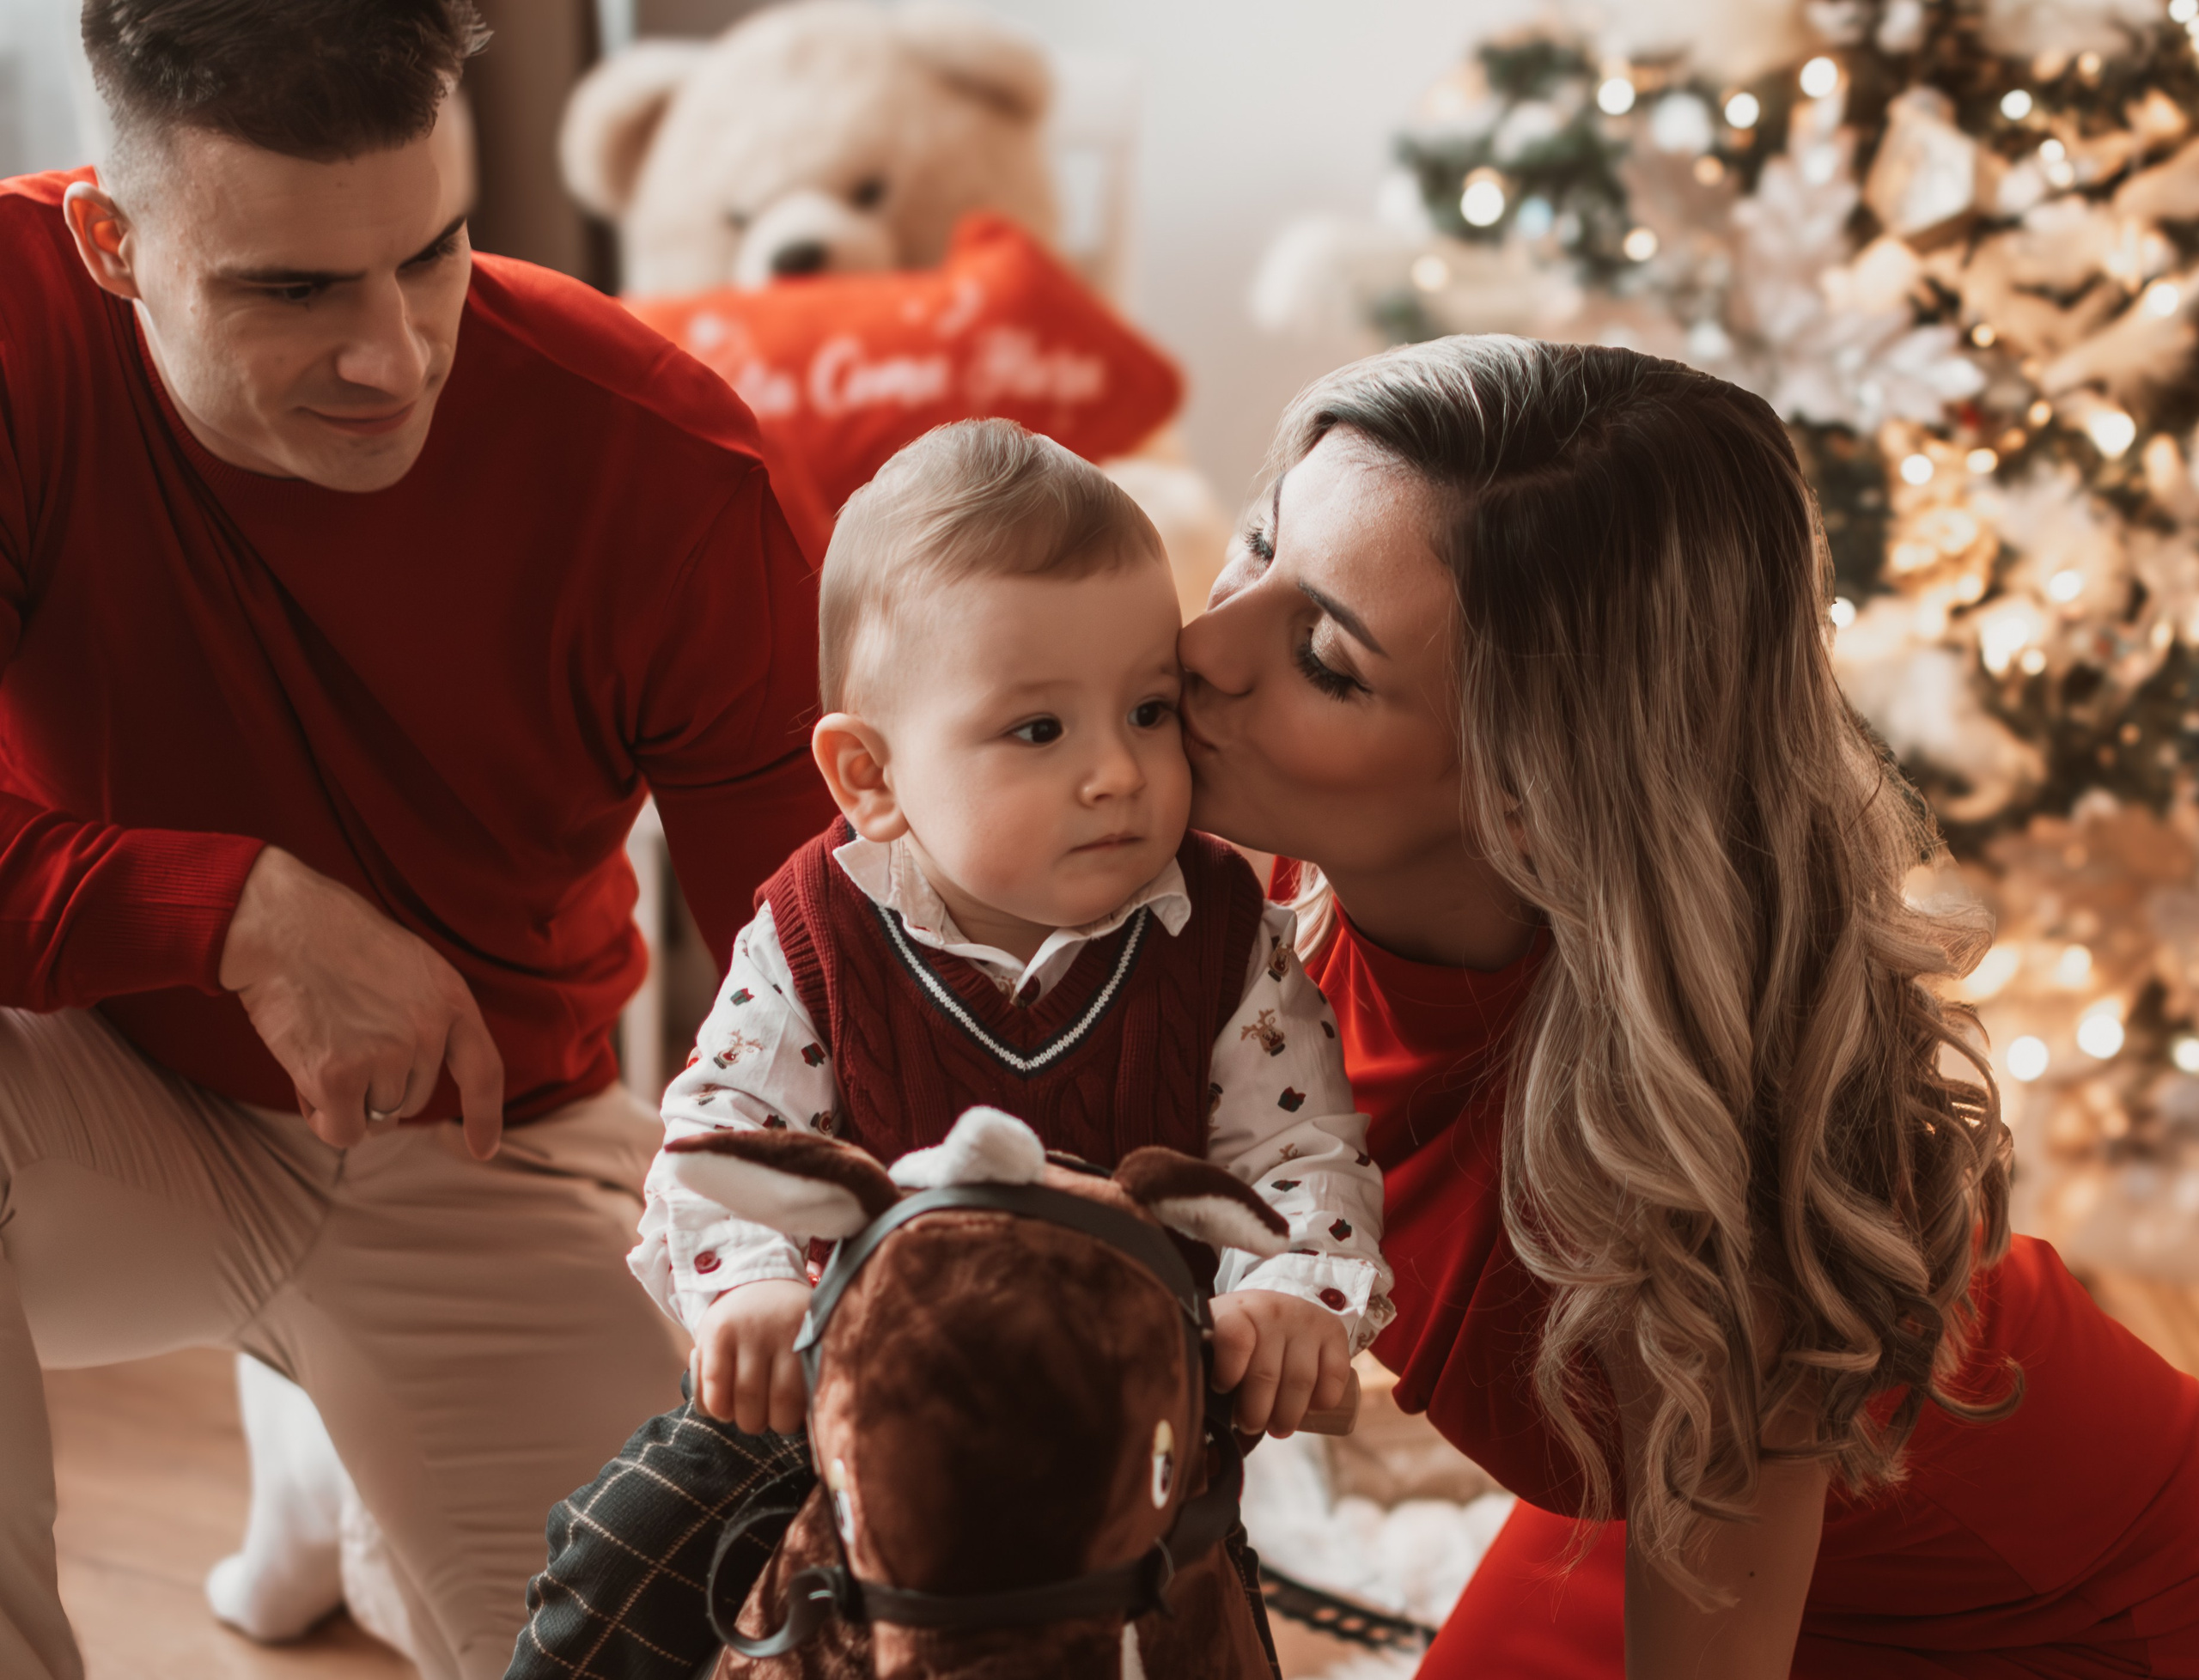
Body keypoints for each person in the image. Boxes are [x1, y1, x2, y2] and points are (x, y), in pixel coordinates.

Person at [0, 2, 832, 1676]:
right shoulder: (12, 333)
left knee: (670, 1651)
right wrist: (235, 913)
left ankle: (341, 1455)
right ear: (110, 239)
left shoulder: (663, 470)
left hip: (486, 1144)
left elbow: (837, 979)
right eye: (289, 290)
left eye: (433, 253)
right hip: (101, 1100)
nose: (390, 356)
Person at [1175, 335, 2199, 1677]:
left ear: (1534, 795)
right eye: (1259, 543)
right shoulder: (1296, 880)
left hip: (2066, 1608)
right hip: (1703, 1496)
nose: (1199, 646)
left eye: (1325, 657)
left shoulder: (1702, 1211)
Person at [508, 419, 1390, 1679]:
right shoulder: (817, 931)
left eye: (1149, 710)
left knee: (1209, 1623)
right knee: (623, 1552)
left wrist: (1291, 1296)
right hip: (847, 1400)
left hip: (1120, 1411)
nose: (1117, 775)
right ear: (870, 776)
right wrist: (751, 1290)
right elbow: (714, 1129)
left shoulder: (1219, 933)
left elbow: (1304, 1149)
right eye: (1039, 732)